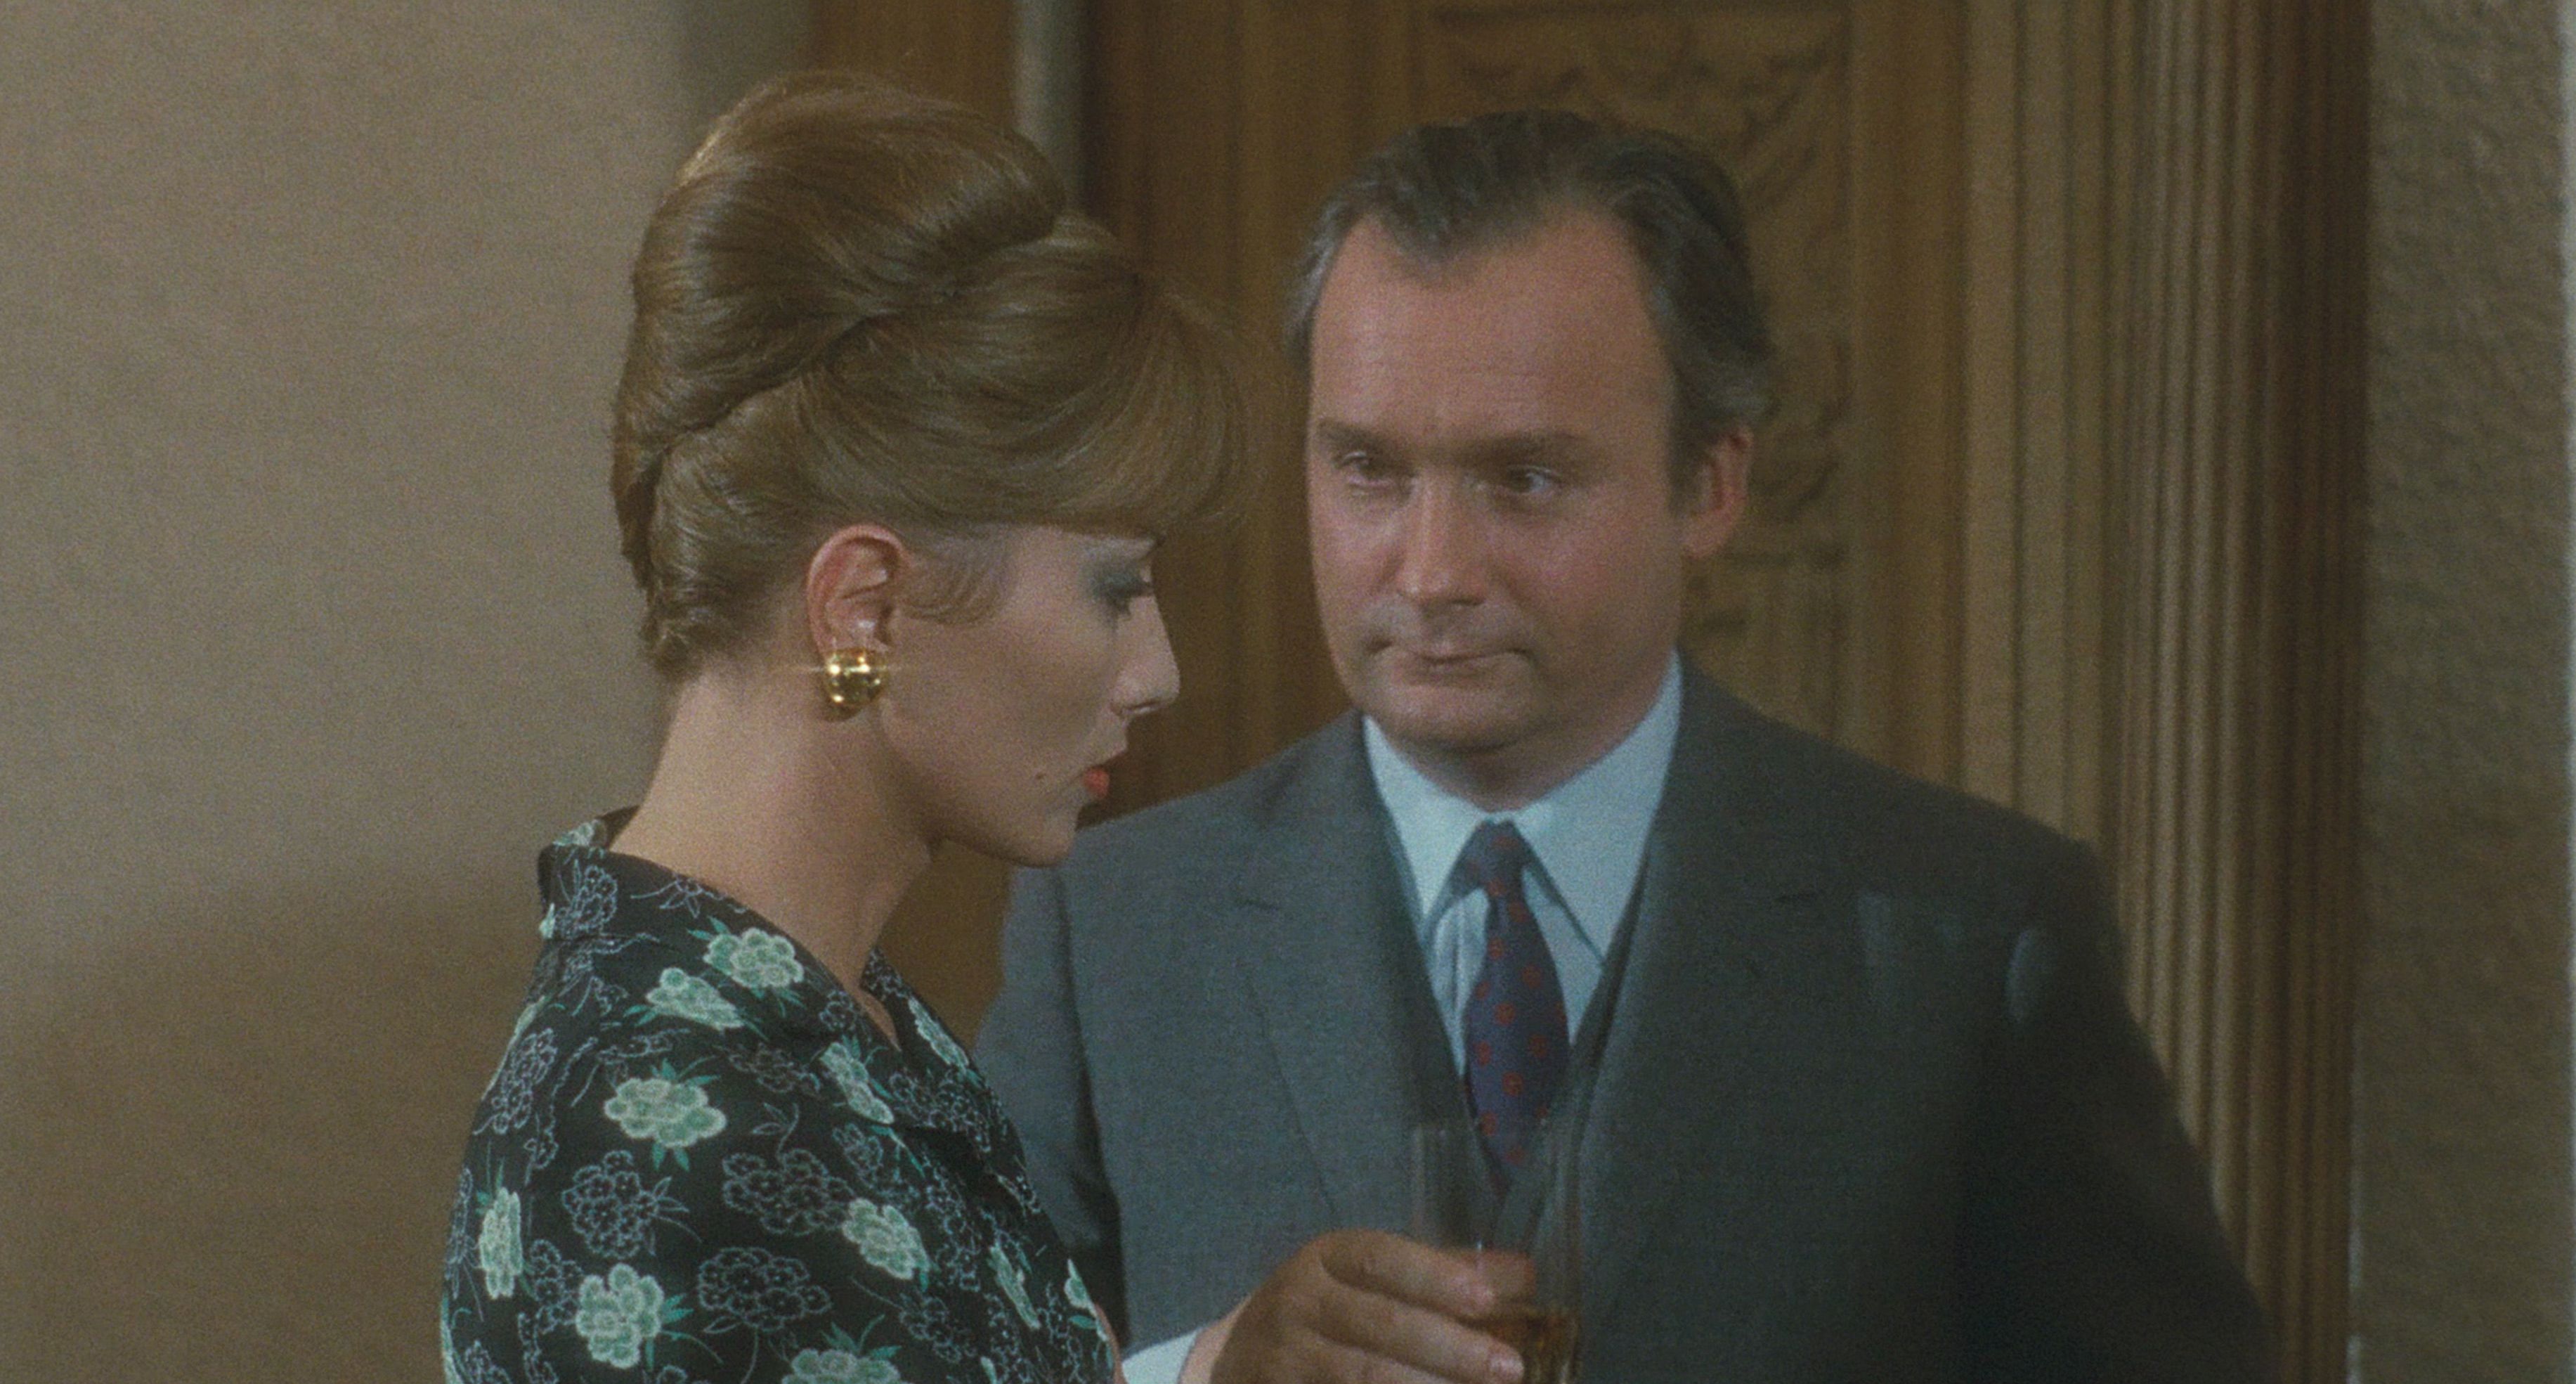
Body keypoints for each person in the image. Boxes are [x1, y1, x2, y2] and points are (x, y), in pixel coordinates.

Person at [975, 108, 2271, 1383]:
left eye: (1524, 479)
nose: (1430, 571)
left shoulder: (1966, 938)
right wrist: (1197, 1375)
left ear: (1709, 484)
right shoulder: (1115, 932)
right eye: (1368, 470)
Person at [438, 72, 1263, 1383]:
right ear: (864, 605)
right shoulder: (679, 1135)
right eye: (1114, 588)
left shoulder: (819, 1023)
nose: (1155, 672)